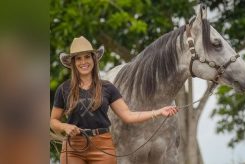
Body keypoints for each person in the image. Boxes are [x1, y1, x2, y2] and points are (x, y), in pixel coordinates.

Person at [50, 36, 178, 164]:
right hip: (73, 147)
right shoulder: (64, 89)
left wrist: (159, 112)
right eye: (78, 58)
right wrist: (64, 126)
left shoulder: (107, 87)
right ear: (73, 63)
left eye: (87, 57)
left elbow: (128, 115)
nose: (83, 62)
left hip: (102, 146)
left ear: (94, 59)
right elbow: (53, 121)